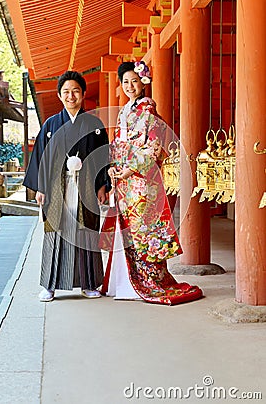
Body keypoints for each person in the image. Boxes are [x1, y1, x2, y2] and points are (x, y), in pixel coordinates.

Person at [100, 61, 203, 305]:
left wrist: (130, 169)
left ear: (143, 82)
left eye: (134, 81)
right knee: (127, 231)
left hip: (142, 182)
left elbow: (154, 147)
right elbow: (118, 145)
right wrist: (115, 168)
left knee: (145, 231)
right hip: (125, 182)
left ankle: (149, 281)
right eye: (125, 82)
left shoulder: (149, 111)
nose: (129, 86)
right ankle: (126, 282)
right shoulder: (125, 111)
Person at [23, 71, 110, 301]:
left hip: (86, 188)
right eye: (66, 92)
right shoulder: (51, 124)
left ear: (82, 94)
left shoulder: (94, 124)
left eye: (75, 91)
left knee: (86, 234)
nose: (71, 96)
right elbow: (41, 157)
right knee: (56, 233)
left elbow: (103, 156)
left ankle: (89, 284)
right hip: (56, 187)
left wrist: (103, 185)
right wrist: (40, 188)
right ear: (59, 95)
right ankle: (50, 285)